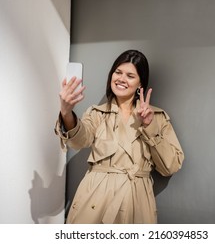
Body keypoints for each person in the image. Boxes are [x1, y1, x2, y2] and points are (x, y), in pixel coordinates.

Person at [54, 49, 184, 224]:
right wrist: (67, 112)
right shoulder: (97, 114)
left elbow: (171, 166)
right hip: (95, 199)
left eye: (130, 76)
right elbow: (78, 140)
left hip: (136, 202)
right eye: (118, 72)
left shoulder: (157, 118)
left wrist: (149, 126)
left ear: (140, 84)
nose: (121, 79)